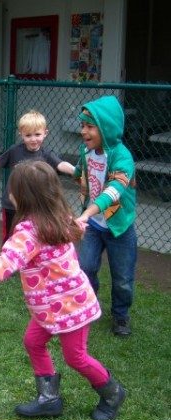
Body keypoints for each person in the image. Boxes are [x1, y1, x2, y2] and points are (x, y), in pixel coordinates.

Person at [0, 160, 126, 420]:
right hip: (50, 307)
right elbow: (73, 229)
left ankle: (113, 393)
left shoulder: (29, 233)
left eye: (12, 190)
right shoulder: (56, 216)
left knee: (75, 356)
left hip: (71, 306)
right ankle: (49, 399)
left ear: (24, 196)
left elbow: (5, 263)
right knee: (33, 342)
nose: (9, 194)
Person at [74, 95, 137, 337]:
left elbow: (113, 192)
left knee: (122, 277)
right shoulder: (86, 151)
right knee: (86, 267)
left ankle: (121, 315)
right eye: (83, 126)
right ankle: (90, 305)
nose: (84, 132)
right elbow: (78, 172)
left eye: (90, 127)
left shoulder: (122, 156)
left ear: (106, 128)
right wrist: (50, 167)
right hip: (93, 226)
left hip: (118, 226)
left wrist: (87, 213)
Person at [0, 110, 75, 244]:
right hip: (11, 204)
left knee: (31, 236)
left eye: (37, 134)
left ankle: (28, 262)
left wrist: (76, 170)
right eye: (28, 135)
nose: (33, 139)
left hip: (34, 205)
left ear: (45, 133)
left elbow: (61, 164)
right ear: (21, 135)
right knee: (10, 237)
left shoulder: (47, 154)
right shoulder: (15, 151)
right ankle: (8, 261)